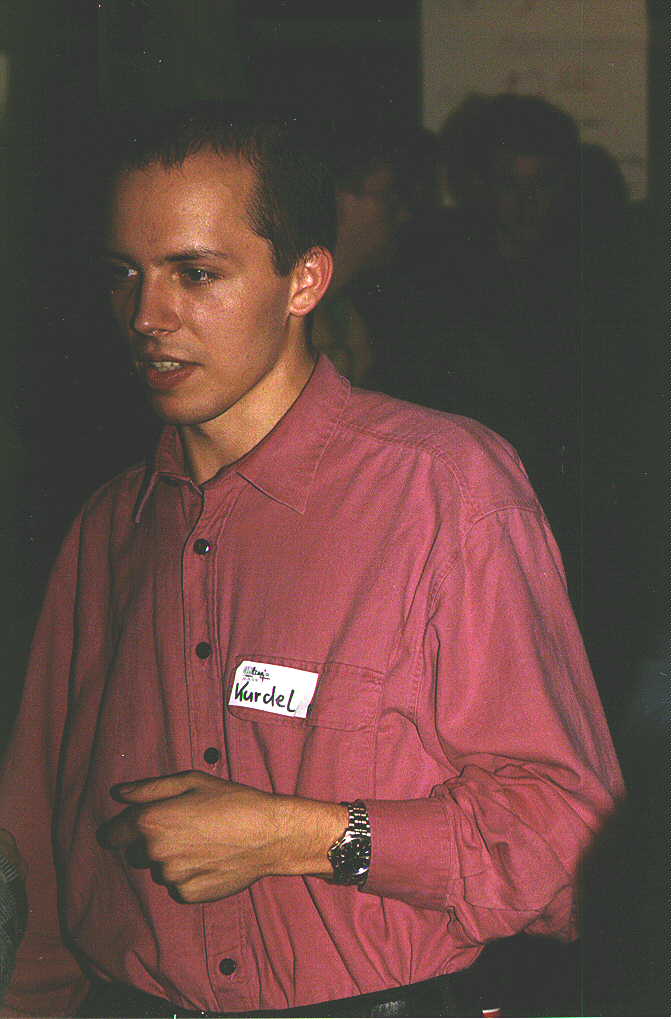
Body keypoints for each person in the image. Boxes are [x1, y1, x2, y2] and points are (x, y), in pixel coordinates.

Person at [0, 104, 623, 1018]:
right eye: (125, 274)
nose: (147, 316)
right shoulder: (107, 529)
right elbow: (36, 847)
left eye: (195, 274)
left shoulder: (441, 489)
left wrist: (304, 835)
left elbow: (571, 849)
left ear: (304, 281)